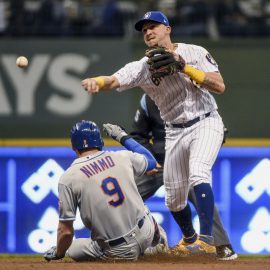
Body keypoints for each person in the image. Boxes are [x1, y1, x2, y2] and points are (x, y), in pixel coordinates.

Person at [81, 11, 229, 256]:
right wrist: (97, 81)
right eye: (144, 29)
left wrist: (184, 67)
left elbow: (219, 85)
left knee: (199, 172)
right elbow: (114, 79)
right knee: (173, 199)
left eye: (154, 26)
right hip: (174, 131)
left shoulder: (194, 52)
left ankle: (206, 241)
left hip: (205, 121)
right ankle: (189, 239)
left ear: (168, 29)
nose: (148, 32)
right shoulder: (141, 68)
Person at [129, 93, 237, 260]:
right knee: (126, 195)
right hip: (157, 163)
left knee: (201, 190)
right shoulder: (149, 98)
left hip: (186, 161)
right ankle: (112, 243)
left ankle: (222, 246)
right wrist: (149, 160)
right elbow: (137, 135)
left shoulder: (190, 93)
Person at [43, 120, 168, 262]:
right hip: (146, 232)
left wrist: (59, 253)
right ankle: (157, 242)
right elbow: (151, 161)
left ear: (73, 146)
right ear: (100, 141)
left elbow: (65, 232)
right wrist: (122, 136)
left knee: (73, 249)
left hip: (119, 250)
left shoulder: (68, 178)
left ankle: (131, 255)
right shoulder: (121, 156)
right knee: (141, 207)